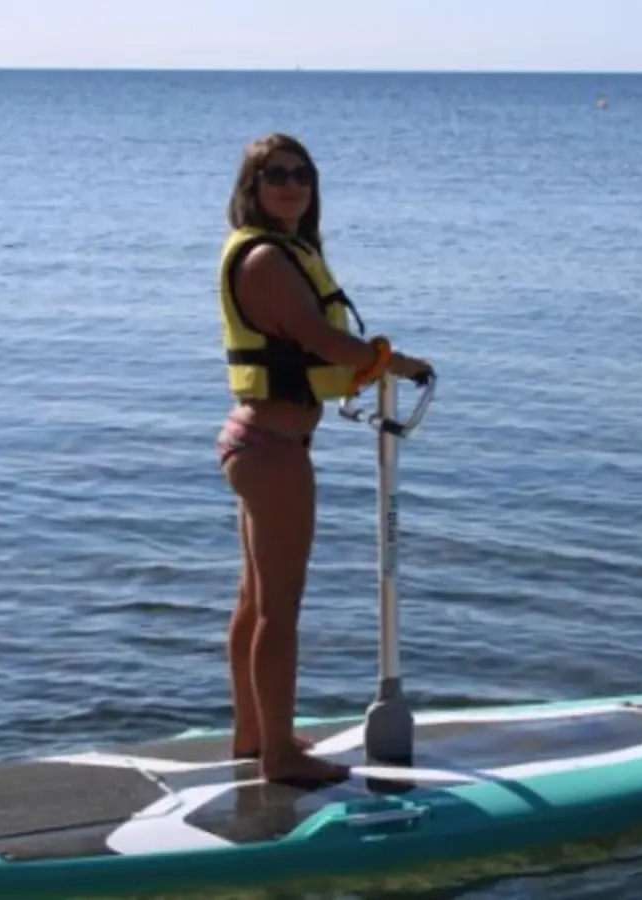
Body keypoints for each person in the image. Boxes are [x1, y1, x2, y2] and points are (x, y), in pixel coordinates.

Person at [215, 133, 432, 785]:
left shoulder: (285, 252)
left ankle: (254, 733)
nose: (289, 185)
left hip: (262, 442)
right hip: (272, 452)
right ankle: (277, 757)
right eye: (274, 175)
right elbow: (320, 340)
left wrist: (366, 366)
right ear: (250, 188)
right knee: (279, 608)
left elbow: (311, 352)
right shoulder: (264, 260)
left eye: (301, 175)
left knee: (256, 601)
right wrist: (395, 362)